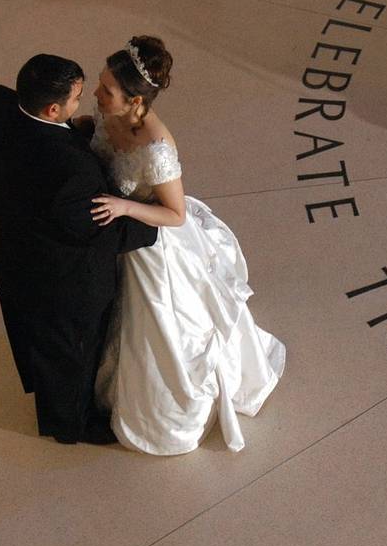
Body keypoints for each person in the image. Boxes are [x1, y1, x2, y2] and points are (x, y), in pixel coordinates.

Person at [83, 36, 285, 456]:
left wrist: (124, 206)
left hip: (149, 240)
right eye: (101, 85)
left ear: (135, 99)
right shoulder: (108, 114)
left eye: (107, 90)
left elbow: (174, 215)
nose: (97, 94)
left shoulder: (157, 148)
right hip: (117, 232)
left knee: (157, 331)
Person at [0, 54, 158, 444]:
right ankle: (69, 426)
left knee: (37, 336)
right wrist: (150, 228)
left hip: (11, 250)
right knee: (67, 353)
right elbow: (97, 231)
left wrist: (70, 127)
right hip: (59, 278)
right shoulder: (73, 169)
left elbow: (30, 137)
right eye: (74, 100)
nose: (83, 101)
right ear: (53, 108)